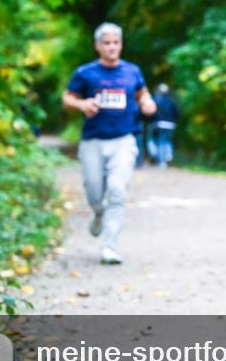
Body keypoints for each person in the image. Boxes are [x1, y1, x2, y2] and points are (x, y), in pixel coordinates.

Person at [63, 22, 156, 265]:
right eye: (107, 43)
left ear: (121, 44)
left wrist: (148, 103)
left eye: (116, 42)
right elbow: (67, 98)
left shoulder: (132, 72)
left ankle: (109, 246)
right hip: (93, 140)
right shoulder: (86, 73)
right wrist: (82, 105)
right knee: (95, 193)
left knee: (117, 190)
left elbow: (142, 94)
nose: (112, 47)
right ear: (97, 46)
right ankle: (98, 212)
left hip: (124, 139)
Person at [146, 83, 179, 169]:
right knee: (167, 140)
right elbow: (177, 112)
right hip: (171, 124)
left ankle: (161, 160)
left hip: (159, 123)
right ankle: (168, 154)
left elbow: (151, 113)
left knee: (160, 141)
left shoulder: (156, 100)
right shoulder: (172, 101)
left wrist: (152, 121)